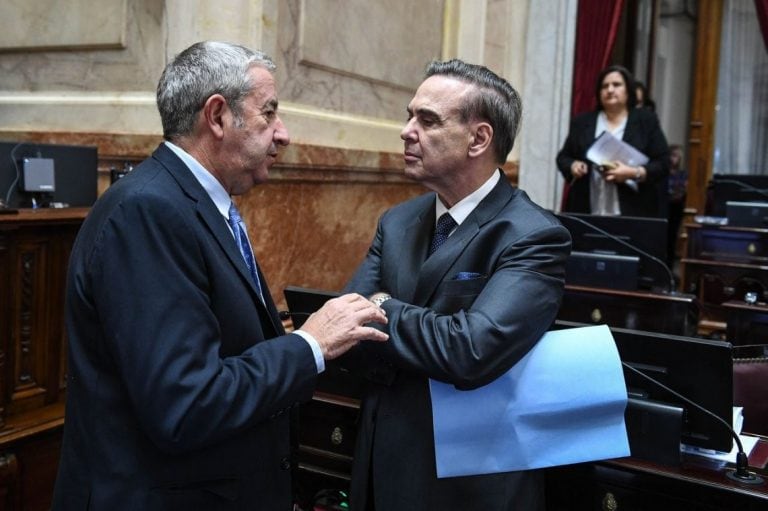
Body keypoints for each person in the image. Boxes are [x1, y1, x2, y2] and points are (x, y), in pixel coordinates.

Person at [52, 41, 388, 510]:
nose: (284, 133)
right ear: (217, 116)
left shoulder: (199, 203)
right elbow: (186, 404)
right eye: (269, 113)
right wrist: (310, 344)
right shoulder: (147, 211)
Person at [343, 59, 571, 510]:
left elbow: (471, 351)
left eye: (427, 120)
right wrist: (427, 329)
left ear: (479, 139)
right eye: (410, 116)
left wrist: (382, 306)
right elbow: (345, 324)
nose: (407, 131)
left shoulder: (532, 234)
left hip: (469, 478)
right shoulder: (398, 220)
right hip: (383, 454)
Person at [556, 65, 670, 217]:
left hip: (633, 212)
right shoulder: (582, 122)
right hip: (586, 210)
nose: (610, 90)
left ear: (628, 90)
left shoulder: (645, 121)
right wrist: (573, 166)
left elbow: (663, 163)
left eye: (616, 85)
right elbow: (563, 157)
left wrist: (633, 173)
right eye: (604, 86)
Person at [667, 144, 688, 269]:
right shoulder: (664, 173)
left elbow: (681, 192)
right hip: (665, 208)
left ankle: (670, 266)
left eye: (677, 156)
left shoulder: (683, 173)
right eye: (673, 155)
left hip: (677, 209)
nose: (674, 159)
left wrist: (676, 192)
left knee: (672, 238)